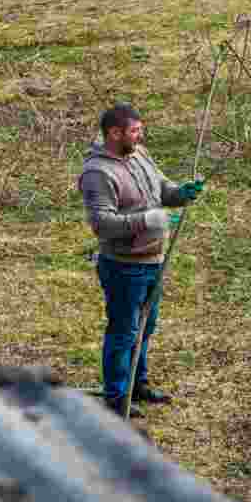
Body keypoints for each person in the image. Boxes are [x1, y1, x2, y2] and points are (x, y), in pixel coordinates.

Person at [78, 104, 205, 418]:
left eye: (139, 129)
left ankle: (138, 384)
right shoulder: (98, 173)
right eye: (134, 130)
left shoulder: (139, 154)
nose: (140, 134)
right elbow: (102, 224)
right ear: (114, 133)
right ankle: (116, 396)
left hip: (154, 259)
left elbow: (160, 189)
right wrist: (148, 219)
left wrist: (180, 193)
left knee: (146, 327)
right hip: (124, 265)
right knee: (124, 331)